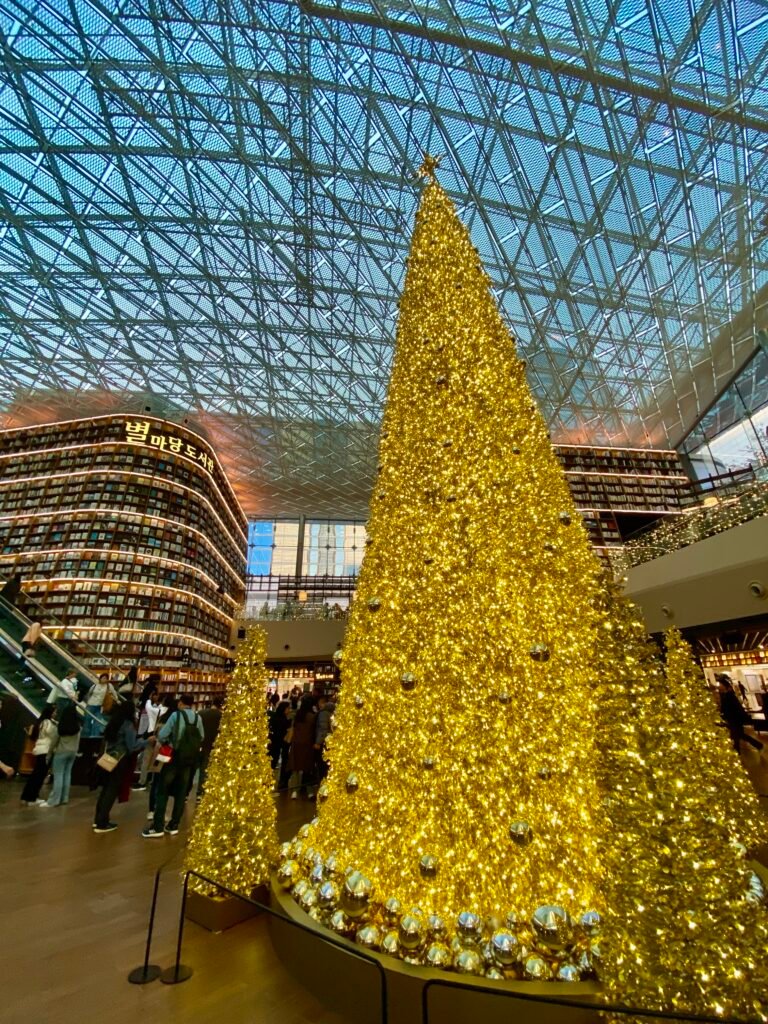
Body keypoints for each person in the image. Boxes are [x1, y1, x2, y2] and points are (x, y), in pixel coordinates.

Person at [142, 694, 204, 838]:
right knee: (181, 793)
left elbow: (163, 734)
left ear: (181, 703)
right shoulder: (197, 718)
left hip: (173, 757)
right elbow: (201, 736)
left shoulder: (176, 716)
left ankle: (157, 827)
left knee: (163, 790)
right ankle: (174, 825)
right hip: (188, 760)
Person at [92, 699, 147, 833]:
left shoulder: (114, 722)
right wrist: (145, 742)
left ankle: (98, 819)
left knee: (105, 789)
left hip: (108, 757)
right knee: (112, 789)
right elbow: (132, 746)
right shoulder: (128, 725)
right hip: (120, 759)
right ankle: (102, 823)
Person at [40, 701, 81, 807]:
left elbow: (54, 742)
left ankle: (54, 800)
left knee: (58, 775)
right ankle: (64, 798)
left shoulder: (61, 727)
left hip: (61, 752)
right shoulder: (78, 728)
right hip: (72, 753)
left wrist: (49, 754)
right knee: (67, 775)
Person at [20, 705, 57, 805]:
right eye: (54, 711)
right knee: (39, 776)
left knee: (35, 775)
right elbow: (51, 734)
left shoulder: (39, 722)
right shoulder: (48, 723)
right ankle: (32, 797)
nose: (55, 713)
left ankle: (26, 796)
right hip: (46, 750)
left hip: (39, 749)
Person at [718, 675, 763, 752]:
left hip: (734, 718)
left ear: (725, 686)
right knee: (738, 735)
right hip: (733, 718)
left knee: (737, 735)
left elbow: (733, 708)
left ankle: (754, 746)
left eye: (720, 685)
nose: (719, 687)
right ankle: (755, 746)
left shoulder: (729, 695)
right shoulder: (727, 695)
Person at [287, 694, 317, 800]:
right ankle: (309, 792)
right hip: (308, 744)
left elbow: (290, 722)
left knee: (295, 767)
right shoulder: (313, 716)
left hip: (296, 743)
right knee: (307, 768)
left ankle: (294, 791)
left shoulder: (297, 714)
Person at [133, 689, 163, 790]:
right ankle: (148, 780)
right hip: (154, 736)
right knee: (151, 759)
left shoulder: (156, 709)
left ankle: (142, 781)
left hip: (151, 736)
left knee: (146, 759)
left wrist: (149, 699)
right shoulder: (162, 710)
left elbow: (148, 707)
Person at [195, 696, 223, 799]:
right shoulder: (221, 716)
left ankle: (186, 792)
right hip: (211, 744)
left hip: (199, 744)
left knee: (194, 767)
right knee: (204, 768)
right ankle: (200, 791)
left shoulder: (201, 713)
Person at [81, 672, 119, 739]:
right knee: (87, 721)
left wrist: (116, 700)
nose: (104, 679)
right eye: (103, 678)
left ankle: (94, 738)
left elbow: (114, 693)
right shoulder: (95, 685)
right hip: (90, 705)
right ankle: (85, 737)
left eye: (106, 678)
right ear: (100, 678)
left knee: (97, 722)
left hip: (100, 706)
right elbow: (89, 693)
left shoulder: (108, 686)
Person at [314, 693, 336, 785]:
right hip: (331, 741)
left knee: (322, 765)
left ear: (322, 703)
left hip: (324, 742)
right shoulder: (333, 711)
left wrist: (318, 742)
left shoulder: (323, 713)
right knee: (328, 764)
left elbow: (322, 729)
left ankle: (323, 784)